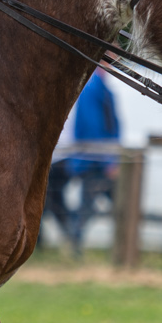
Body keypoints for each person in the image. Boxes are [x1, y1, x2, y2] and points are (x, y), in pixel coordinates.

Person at [46, 69, 122, 257]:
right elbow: (93, 128)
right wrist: (109, 162)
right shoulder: (92, 88)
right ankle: (74, 245)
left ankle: (73, 244)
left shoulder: (97, 87)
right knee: (88, 206)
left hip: (94, 158)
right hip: (94, 160)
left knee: (90, 205)